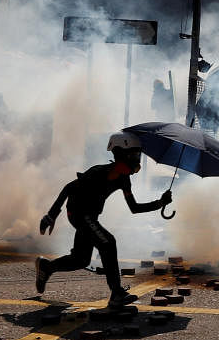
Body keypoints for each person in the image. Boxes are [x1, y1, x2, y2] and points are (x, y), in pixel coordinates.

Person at [35, 132, 171, 308]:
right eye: (133, 155)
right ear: (119, 153)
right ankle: (116, 293)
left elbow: (134, 208)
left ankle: (47, 267)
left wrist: (160, 202)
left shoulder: (123, 179)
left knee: (80, 259)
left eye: (138, 155)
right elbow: (68, 188)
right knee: (108, 243)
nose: (136, 159)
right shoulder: (98, 172)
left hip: (89, 217)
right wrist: (51, 215)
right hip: (77, 213)